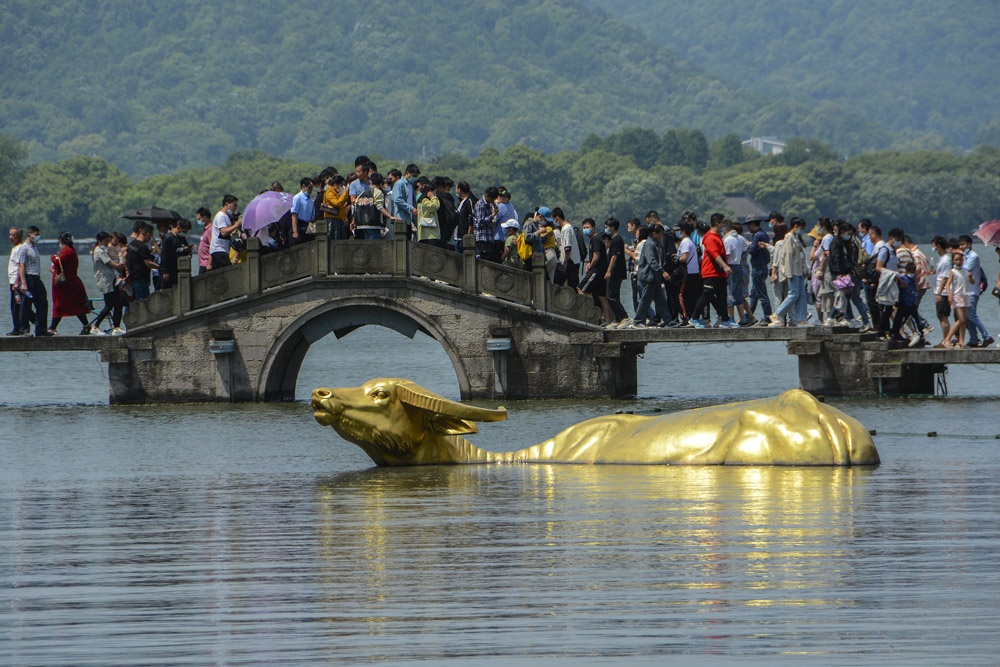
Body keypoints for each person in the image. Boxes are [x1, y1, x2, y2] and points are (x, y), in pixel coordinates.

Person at [690, 213, 736, 328]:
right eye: (722, 224)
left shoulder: (717, 236)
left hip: (719, 273)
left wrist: (724, 268)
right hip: (711, 271)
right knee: (707, 294)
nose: (723, 226)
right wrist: (725, 266)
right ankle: (694, 318)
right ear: (716, 223)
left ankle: (725, 320)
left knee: (722, 296)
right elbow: (714, 254)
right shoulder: (710, 237)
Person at [48, 232, 92, 334]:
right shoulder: (70, 250)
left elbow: (57, 261)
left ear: (60, 240)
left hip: (66, 284)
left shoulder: (66, 251)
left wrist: (53, 256)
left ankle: (52, 327)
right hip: (68, 283)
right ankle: (86, 325)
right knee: (72, 305)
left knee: (60, 305)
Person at [769, 217, 810, 327]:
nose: (801, 230)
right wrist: (788, 273)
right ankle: (776, 314)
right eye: (801, 228)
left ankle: (801, 318)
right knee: (793, 294)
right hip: (793, 271)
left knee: (801, 295)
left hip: (800, 271)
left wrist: (805, 269)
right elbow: (787, 257)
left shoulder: (796, 238)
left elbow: (801, 255)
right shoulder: (788, 238)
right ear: (795, 226)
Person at [632, 224, 673, 328]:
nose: (661, 236)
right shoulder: (650, 244)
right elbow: (652, 261)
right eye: (660, 234)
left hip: (654, 278)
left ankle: (668, 320)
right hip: (648, 277)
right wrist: (662, 272)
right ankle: (637, 321)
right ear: (654, 234)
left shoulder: (656, 244)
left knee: (661, 300)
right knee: (645, 300)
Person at [14, 226, 52, 337]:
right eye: (36, 234)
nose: (37, 237)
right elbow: (21, 266)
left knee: (42, 303)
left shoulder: (34, 247)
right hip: (28, 278)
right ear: (29, 234)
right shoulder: (24, 248)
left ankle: (41, 329)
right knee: (26, 304)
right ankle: (24, 330)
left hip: (36, 278)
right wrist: (23, 283)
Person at [958, 234, 994, 348]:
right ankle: (973, 339)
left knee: (972, 315)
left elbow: (964, 270)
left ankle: (987, 336)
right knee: (967, 317)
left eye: (963, 244)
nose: (962, 247)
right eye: (960, 245)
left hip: (973, 291)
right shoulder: (964, 256)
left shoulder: (973, 256)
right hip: (966, 291)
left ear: (969, 244)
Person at [88, 232, 126, 335]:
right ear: (100, 241)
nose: (108, 243)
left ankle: (116, 328)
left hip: (112, 280)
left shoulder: (104, 250)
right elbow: (113, 264)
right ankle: (95, 327)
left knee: (118, 303)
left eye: (109, 241)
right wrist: (120, 263)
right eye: (106, 241)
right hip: (105, 281)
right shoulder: (99, 251)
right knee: (109, 305)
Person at [580, 217, 614, 324]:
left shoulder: (596, 240)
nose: (586, 229)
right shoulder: (595, 240)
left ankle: (587, 313)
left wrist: (590, 265)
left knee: (580, 288)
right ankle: (608, 320)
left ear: (593, 228)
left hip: (596, 271)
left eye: (588, 227)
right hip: (600, 272)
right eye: (584, 227)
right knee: (601, 296)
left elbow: (596, 256)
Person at [603, 217, 630, 327]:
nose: (606, 229)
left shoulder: (616, 240)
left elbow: (614, 257)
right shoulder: (616, 239)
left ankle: (625, 317)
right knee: (614, 295)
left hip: (616, 272)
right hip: (616, 271)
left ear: (612, 227)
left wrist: (609, 271)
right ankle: (619, 319)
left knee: (611, 295)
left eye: (607, 227)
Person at [940, 251, 970, 348]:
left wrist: (971, 277)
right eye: (956, 260)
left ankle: (961, 341)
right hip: (957, 296)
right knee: (960, 319)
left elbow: (972, 282)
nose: (959, 261)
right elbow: (947, 285)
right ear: (953, 261)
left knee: (964, 320)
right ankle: (947, 339)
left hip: (965, 295)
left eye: (960, 259)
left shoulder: (965, 271)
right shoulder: (952, 271)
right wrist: (949, 296)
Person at [745, 216, 772, 324]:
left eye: (748, 226)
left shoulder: (757, 235)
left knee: (762, 294)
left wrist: (748, 245)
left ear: (752, 224)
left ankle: (767, 316)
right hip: (763, 266)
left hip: (758, 268)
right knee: (754, 294)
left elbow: (752, 251)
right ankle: (749, 316)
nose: (748, 228)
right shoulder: (763, 234)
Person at [724, 220, 750, 325]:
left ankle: (731, 319)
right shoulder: (740, 238)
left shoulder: (728, 240)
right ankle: (743, 318)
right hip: (739, 266)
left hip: (730, 267)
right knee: (739, 294)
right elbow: (746, 248)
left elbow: (726, 255)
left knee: (730, 294)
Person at [675, 220, 701, 325]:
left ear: (683, 230)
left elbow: (684, 257)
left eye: (679, 230)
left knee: (681, 296)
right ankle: (692, 317)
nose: (677, 232)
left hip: (687, 273)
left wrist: (676, 259)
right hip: (694, 272)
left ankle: (687, 318)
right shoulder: (689, 241)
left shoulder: (685, 242)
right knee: (691, 296)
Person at [126, 222, 159, 302]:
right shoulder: (143, 247)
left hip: (133, 277)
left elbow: (126, 258)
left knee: (133, 301)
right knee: (142, 303)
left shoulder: (131, 244)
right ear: (148, 234)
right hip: (142, 279)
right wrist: (161, 267)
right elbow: (148, 263)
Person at [931, 236, 953, 345]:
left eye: (934, 245)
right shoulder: (941, 259)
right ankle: (946, 339)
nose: (933, 248)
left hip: (943, 292)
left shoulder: (945, 260)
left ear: (938, 246)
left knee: (943, 316)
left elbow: (945, 278)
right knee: (940, 316)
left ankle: (946, 340)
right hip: (940, 291)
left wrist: (939, 293)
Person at [159, 219, 192, 289]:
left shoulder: (181, 239)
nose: (185, 233)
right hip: (169, 270)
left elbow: (186, 251)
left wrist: (187, 250)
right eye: (184, 230)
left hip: (178, 269)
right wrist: (165, 271)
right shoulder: (168, 238)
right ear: (179, 228)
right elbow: (165, 255)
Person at [210, 195, 241, 268]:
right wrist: (237, 225)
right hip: (219, 250)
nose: (235, 207)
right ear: (227, 204)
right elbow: (223, 232)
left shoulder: (226, 217)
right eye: (234, 205)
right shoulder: (221, 216)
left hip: (223, 250)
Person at [555, 207, 581, 289]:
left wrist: (565, 263)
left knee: (574, 286)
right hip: (571, 261)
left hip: (571, 262)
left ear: (557, 218)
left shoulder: (566, 229)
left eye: (554, 220)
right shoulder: (567, 228)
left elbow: (567, 248)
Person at [472, 187, 499, 262]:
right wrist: (492, 215)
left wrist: (494, 205)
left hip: (489, 237)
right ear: (486, 196)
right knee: (484, 260)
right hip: (482, 237)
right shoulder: (481, 205)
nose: (492, 201)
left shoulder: (489, 204)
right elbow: (481, 222)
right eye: (492, 199)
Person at [7, 227, 25, 335]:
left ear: (19, 236)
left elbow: (20, 266)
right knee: (16, 305)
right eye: (10, 234)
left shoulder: (20, 248)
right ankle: (18, 327)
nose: (11, 237)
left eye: (13, 235)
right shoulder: (14, 248)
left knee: (16, 306)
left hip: (16, 282)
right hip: (12, 281)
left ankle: (17, 328)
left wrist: (17, 282)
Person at [322, 174, 350, 240]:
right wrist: (345, 193)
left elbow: (342, 202)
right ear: (336, 184)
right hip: (331, 219)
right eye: (341, 185)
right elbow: (336, 203)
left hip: (338, 218)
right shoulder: (329, 192)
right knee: (334, 238)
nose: (341, 187)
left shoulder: (335, 192)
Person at [389, 168, 415, 239]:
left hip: (407, 219)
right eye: (413, 175)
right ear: (407, 173)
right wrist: (411, 209)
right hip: (400, 218)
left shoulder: (409, 185)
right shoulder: (399, 184)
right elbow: (397, 199)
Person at [289, 177, 315, 245]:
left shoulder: (310, 200)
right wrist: (295, 231)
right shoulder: (297, 198)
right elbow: (294, 215)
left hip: (307, 226)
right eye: (310, 188)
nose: (311, 190)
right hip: (299, 225)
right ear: (304, 186)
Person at [194, 207, 212, 274]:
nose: (198, 221)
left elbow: (212, 247)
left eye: (199, 219)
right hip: (202, 263)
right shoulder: (205, 230)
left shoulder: (210, 230)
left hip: (206, 263)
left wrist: (209, 263)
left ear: (205, 218)